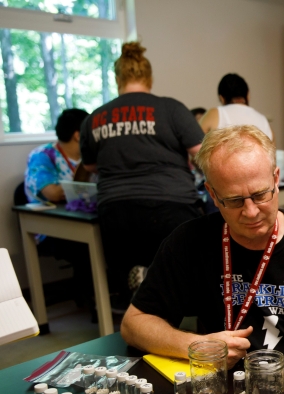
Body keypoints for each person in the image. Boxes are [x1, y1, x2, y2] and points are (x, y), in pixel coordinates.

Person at [121, 125, 284, 389]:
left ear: (276, 179)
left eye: (260, 195)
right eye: (235, 200)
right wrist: (197, 345)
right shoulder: (189, 242)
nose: (251, 212)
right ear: (213, 195)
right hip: (224, 389)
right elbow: (133, 325)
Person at [79, 42, 205, 307]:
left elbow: (90, 166)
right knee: (185, 274)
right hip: (171, 204)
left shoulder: (95, 118)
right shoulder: (170, 109)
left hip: (117, 211)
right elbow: (202, 152)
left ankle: (141, 325)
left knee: (133, 293)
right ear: (149, 78)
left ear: (118, 79)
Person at [24, 108, 93, 308]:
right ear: (78, 134)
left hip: (84, 219)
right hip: (51, 228)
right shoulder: (43, 155)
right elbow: (52, 193)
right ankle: (92, 297)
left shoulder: (87, 159)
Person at [25, 108, 90, 204]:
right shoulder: (41, 155)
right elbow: (53, 194)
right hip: (49, 216)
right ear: (78, 136)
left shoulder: (89, 155)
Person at [199, 73, 272, 139]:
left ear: (221, 98)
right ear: (248, 95)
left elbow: (196, 145)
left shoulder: (215, 113)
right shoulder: (263, 120)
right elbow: (272, 152)